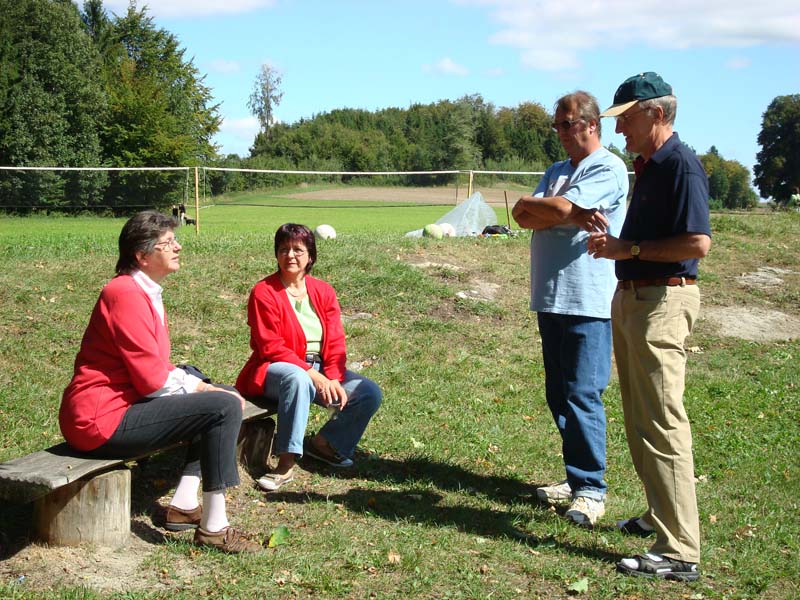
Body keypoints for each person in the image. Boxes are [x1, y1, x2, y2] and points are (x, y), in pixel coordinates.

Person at [60, 210, 262, 554]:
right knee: (222, 405)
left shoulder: (143, 291)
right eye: (168, 243)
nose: (178, 247)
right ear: (142, 255)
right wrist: (201, 388)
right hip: (98, 419)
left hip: (124, 406)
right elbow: (151, 379)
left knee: (222, 396)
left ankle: (184, 504)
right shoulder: (124, 293)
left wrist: (200, 386)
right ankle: (215, 527)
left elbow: (155, 366)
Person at [588, 72, 711, 581]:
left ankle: (679, 551)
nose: (619, 131)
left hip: (662, 301)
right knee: (641, 418)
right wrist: (617, 241)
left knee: (662, 422)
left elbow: (697, 244)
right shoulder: (650, 166)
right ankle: (659, 516)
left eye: (627, 120)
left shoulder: (680, 165)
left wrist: (629, 249)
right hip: (637, 299)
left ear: (656, 113)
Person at [511, 91, 628, 527]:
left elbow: (554, 207)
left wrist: (555, 210)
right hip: (551, 297)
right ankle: (576, 476)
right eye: (556, 125)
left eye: (567, 124)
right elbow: (522, 215)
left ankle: (591, 489)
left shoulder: (607, 167)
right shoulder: (558, 170)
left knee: (582, 394)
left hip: (588, 299)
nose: (559, 132)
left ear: (591, 124)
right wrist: (563, 213)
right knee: (558, 393)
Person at [236, 223, 382, 492]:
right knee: (298, 379)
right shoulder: (264, 292)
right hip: (275, 368)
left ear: (310, 256)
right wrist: (312, 374)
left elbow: (335, 340)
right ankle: (286, 463)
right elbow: (270, 346)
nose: (290, 255)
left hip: (321, 367)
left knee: (368, 393)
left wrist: (333, 377)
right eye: (283, 249)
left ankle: (324, 444)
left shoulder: (323, 291)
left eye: (297, 250)